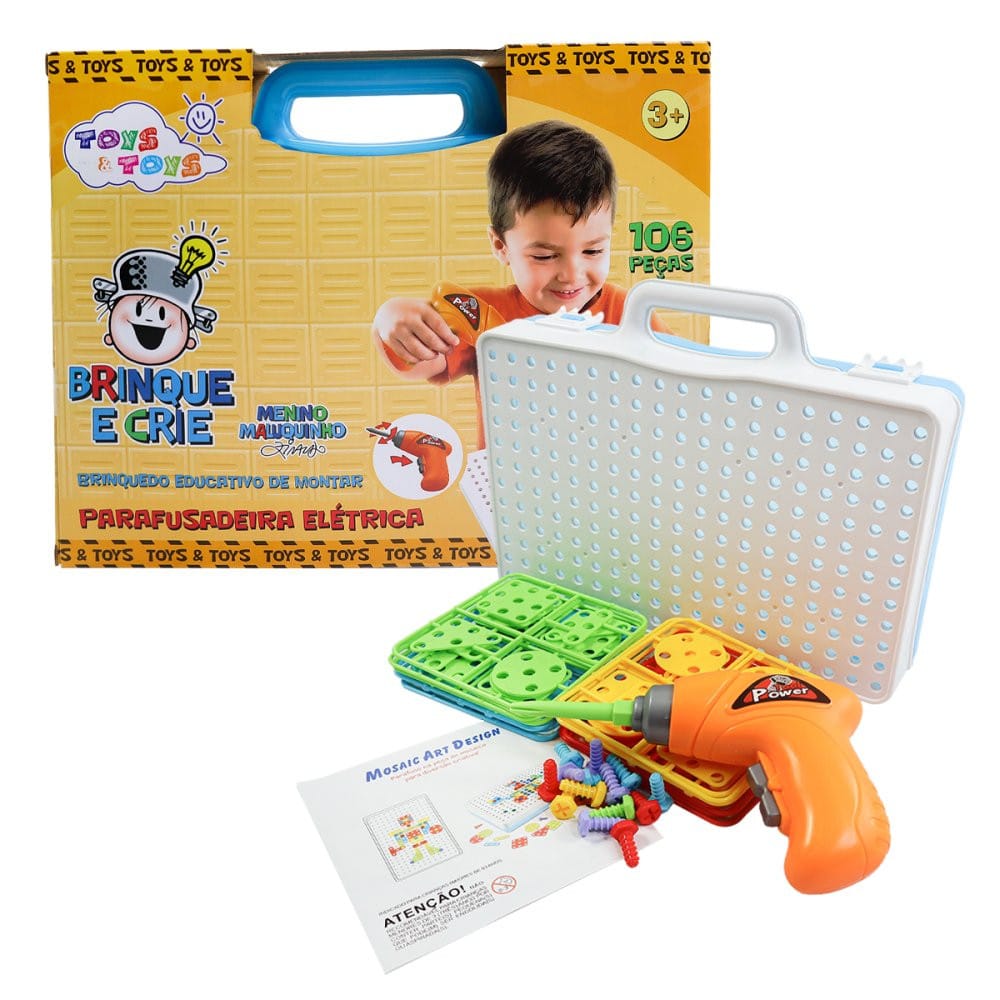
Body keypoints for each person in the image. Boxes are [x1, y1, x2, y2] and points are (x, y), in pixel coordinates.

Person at [372, 120, 662, 447]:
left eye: (593, 251)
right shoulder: (484, 313)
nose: (572, 274)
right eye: (544, 256)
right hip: (510, 474)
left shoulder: (631, 313)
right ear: (501, 246)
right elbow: (419, 365)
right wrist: (390, 319)